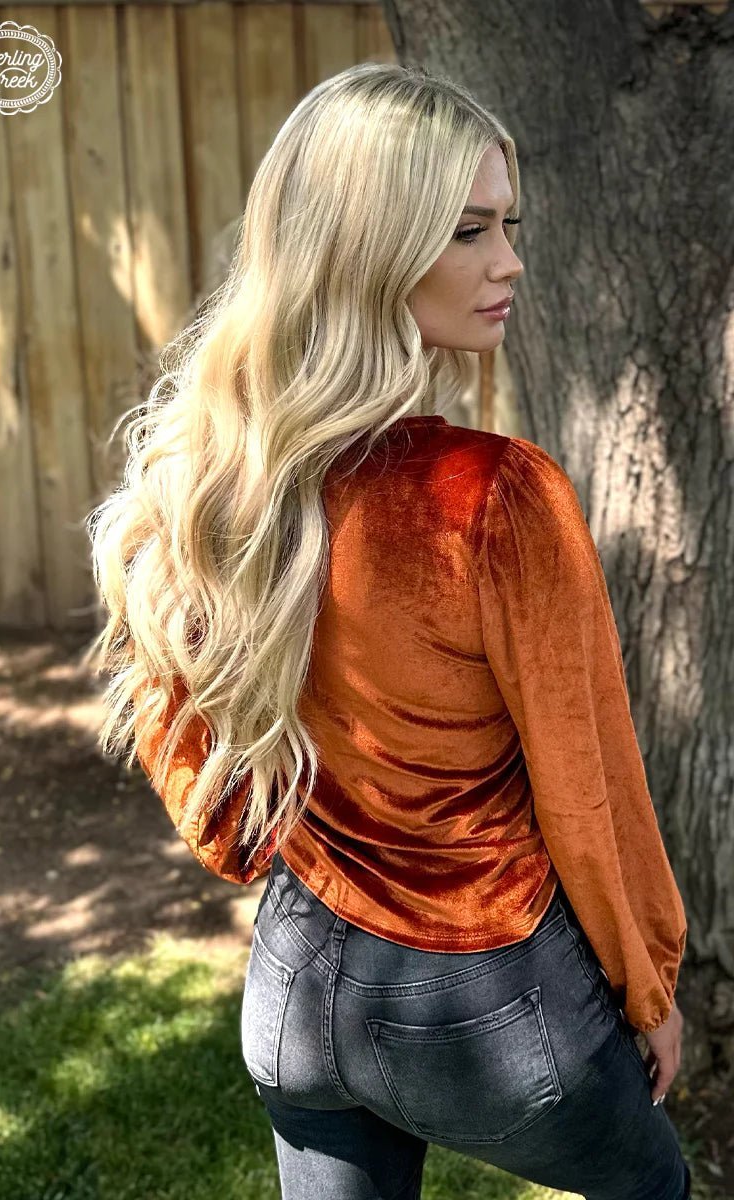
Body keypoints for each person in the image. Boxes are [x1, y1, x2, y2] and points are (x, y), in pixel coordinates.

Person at [83, 61, 690, 1200]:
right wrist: (647, 981)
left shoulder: (229, 480)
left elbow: (210, 800)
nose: (509, 261)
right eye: (467, 231)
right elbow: (588, 780)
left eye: (508, 224)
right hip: (488, 1002)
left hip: (292, 985)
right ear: (366, 249)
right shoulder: (492, 496)